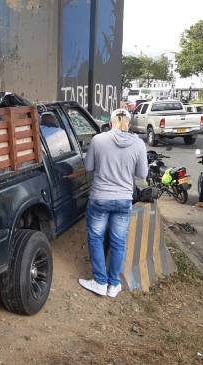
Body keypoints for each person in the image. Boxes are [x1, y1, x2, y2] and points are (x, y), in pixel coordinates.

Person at [79, 109, 148, 298]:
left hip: (100, 198)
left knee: (96, 238)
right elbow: (142, 174)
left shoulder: (98, 140)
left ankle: (100, 282)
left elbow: (88, 167)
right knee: (119, 242)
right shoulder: (139, 144)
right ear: (128, 124)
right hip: (124, 199)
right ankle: (114, 284)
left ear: (110, 123)